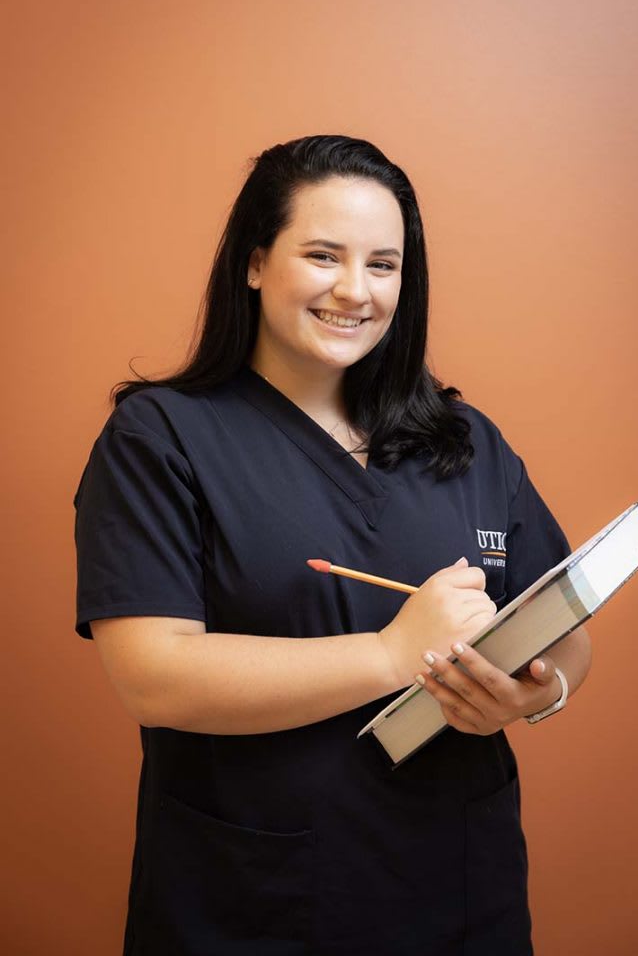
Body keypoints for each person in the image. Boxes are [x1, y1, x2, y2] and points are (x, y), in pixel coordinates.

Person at [73, 134, 592, 956]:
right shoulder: (162, 437)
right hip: (254, 898)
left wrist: (533, 693)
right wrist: (393, 656)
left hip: (461, 885)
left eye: (382, 265)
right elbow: (154, 676)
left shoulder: (464, 438)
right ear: (253, 263)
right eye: (322, 255)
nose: (355, 291)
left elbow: (562, 629)